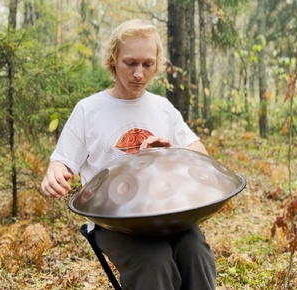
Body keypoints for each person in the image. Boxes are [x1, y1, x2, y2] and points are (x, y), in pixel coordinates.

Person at [41, 19, 216, 290]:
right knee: (154, 261)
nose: (139, 73)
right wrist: (54, 173)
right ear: (114, 60)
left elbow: (200, 152)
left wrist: (174, 150)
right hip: (114, 221)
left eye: (147, 64)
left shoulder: (162, 108)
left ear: (157, 63)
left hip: (166, 212)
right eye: (130, 63)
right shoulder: (90, 110)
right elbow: (62, 161)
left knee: (197, 253)